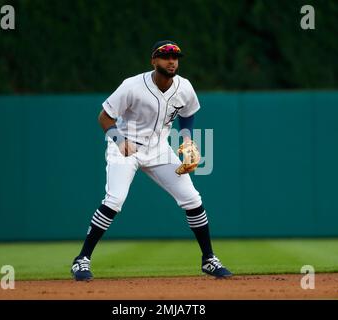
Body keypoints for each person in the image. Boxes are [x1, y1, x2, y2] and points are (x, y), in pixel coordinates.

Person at [71, 40, 232, 281]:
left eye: (175, 57)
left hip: (159, 149)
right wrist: (117, 139)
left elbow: (188, 114)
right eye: (165, 56)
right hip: (126, 146)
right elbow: (104, 116)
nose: (172, 61)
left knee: (192, 199)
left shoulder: (184, 87)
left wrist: (187, 140)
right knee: (114, 200)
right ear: (153, 61)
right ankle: (81, 260)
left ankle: (208, 259)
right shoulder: (132, 86)